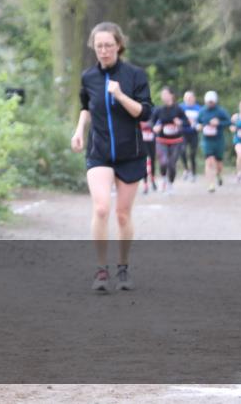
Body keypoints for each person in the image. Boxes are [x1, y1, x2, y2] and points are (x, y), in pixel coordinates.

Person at [71, 22, 152, 293]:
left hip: (131, 153)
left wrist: (119, 94)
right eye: (98, 46)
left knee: (122, 214)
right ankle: (101, 270)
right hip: (100, 151)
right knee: (102, 208)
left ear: (119, 45)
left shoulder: (135, 75)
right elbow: (86, 107)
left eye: (108, 45)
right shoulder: (88, 77)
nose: (103, 51)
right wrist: (79, 130)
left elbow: (144, 112)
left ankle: (123, 267)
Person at [151, 87, 188, 194]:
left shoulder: (178, 109)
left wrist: (180, 122)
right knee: (163, 162)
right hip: (161, 140)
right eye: (162, 94)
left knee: (172, 163)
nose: (163, 96)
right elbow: (151, 122)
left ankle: (170, 184)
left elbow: (186, 122)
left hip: (176, 141)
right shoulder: (159, 110)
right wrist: (154, 127)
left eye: (166, 94)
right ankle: (163, 180)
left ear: (171, 96)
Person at [196, 91, 231, 193]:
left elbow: (228, 122)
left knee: (218, 163)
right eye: (208, 102)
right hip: (207, 140)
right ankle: (211, 184)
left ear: (215, 102)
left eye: (211, 102)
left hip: (218, 140)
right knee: (209, 161)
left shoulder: (220, 111)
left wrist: (219, 123)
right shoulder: (202, 111)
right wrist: (199, 126)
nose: (210, 104)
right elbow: (197, 122)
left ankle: (219, 175)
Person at [179, 90, 201, 181]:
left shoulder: (199, 108)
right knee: (182, 151)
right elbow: (176, 118)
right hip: (183, 133)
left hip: (194, 133)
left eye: (190, 97)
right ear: (184, 99)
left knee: (192, 153)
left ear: (194, 98)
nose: (188, 99)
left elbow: (202, 119)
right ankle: (186, 169)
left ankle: (193, 173)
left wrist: (200, 125)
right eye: (186, 98)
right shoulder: (180, 107)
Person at [139, 119, 157, 194]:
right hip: (142, 143)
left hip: (151, 143)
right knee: (144, 163)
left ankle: (152, 179)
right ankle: (145, 184)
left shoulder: (153, 115)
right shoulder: (138, 115)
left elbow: (156, 127)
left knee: (152, 161)